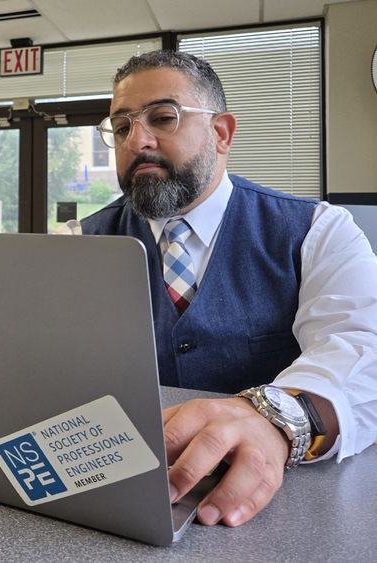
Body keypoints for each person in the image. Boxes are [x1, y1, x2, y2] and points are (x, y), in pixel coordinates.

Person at [83, 50, 377, 528]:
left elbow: (361, 345)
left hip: (287, 507)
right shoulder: (82, 241)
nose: (137, 140)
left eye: (162, 117)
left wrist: (280, 418)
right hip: (127, 493)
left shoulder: (319, 230)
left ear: (221, 133)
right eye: (120, 128)